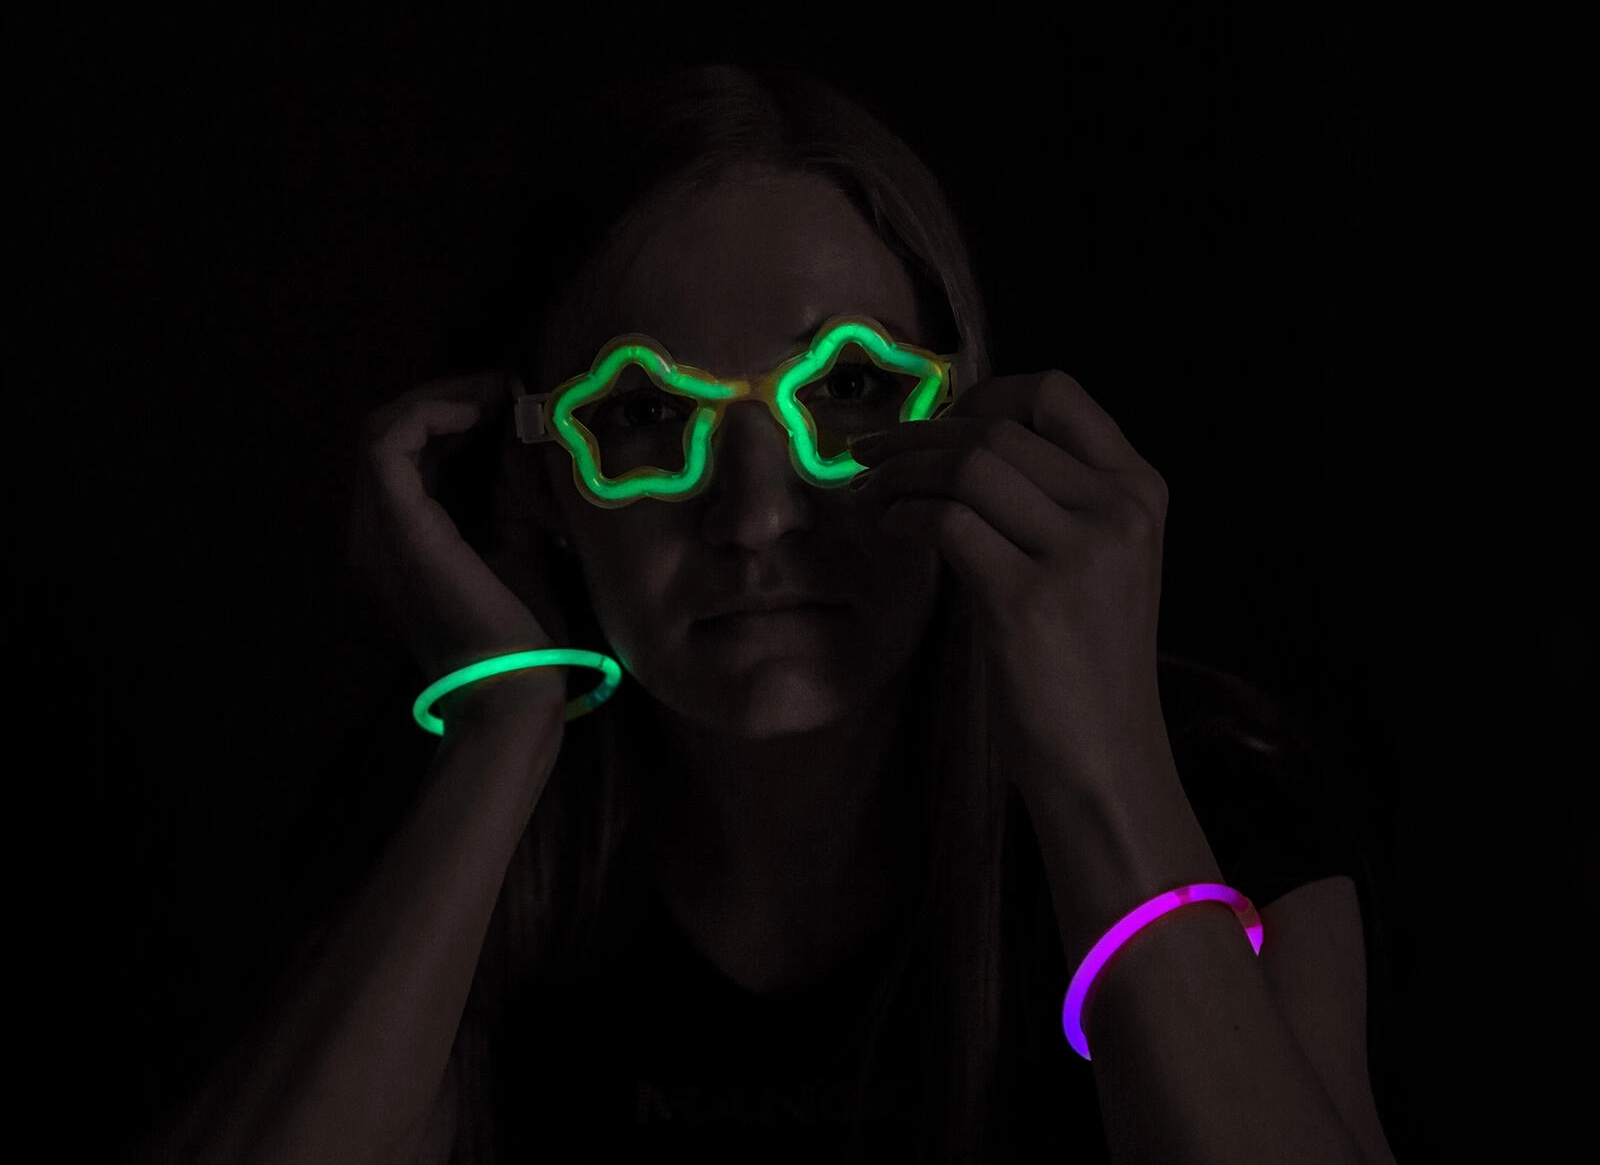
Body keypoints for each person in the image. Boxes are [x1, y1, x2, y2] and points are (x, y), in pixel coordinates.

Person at [134, 61, 1400, 1164]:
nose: (756, 515)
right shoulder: (445, 825)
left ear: (968, 416)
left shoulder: (1217, 789)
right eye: (643, 412)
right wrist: (502, 729)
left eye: (847, 390)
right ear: (536, 477)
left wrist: (1106, 773)